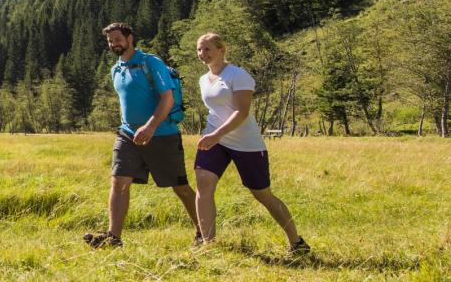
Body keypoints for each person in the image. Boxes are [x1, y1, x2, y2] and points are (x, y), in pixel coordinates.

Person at [192, 32, 310, 255]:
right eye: (199, 49)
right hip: (214, 139)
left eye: (207, 49)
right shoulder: (203, 80)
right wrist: (214, 136)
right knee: (204, 184)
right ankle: (208, 244)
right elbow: (214, 110)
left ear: (221, 50)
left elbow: (242, 112)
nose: (202, 54)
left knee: (262, 194)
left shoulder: (238, 75)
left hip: (245, 143)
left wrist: (217, 134)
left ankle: (297, 243)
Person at [84, 22, 200, 248]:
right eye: (110, 41)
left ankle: (203, 232)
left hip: (162, 134)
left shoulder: (151, 62)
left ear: (130, 38)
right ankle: (113, 237)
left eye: (117, 39)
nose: (113, 44)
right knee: (119, 182)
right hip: (127, 134)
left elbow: (167, 99)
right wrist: (132, 127)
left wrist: (150, 127)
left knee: (180, 187)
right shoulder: (116, 69)